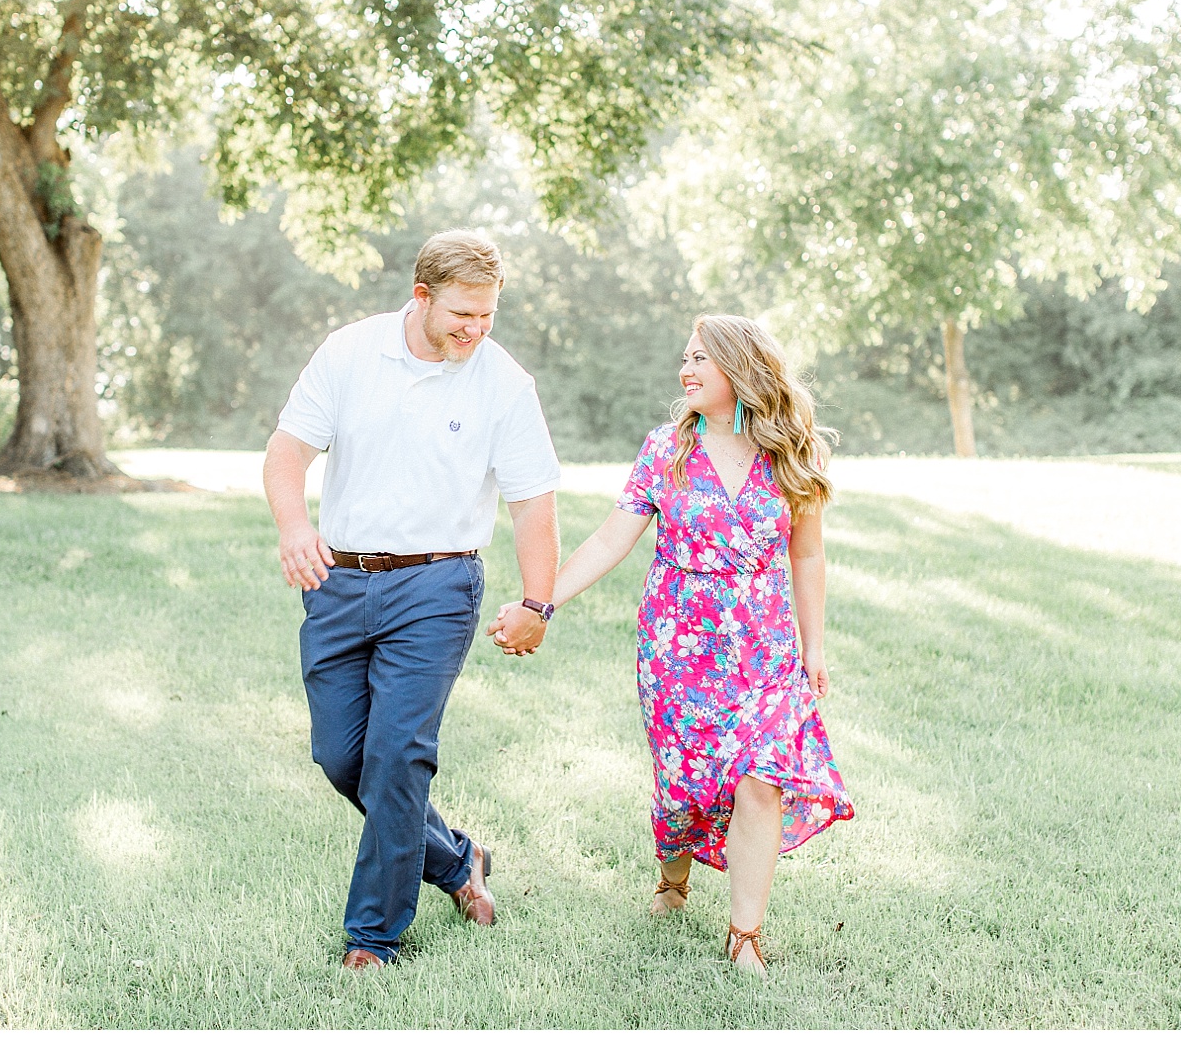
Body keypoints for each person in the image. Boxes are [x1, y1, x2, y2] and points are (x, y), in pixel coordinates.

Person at [489, 313, 852, 974]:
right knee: (685, 783)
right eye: (684, 357)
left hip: (764, 650)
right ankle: (673, 879)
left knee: (760, 780)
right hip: (677, 646)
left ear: (740, 368)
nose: (685, 370)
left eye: (700, 359)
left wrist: (814, 645)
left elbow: (809, 553)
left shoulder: (794, 452)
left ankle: (745, 935)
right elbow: (608, 539)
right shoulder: (665, 449)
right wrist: (539, 601)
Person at [263, 228, 562, 973]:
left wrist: (538, 603)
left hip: (438, 582)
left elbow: (533, 504)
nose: (476, 329)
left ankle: (373, 937)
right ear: (421, 295)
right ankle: (459, 861)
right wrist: (295, 525)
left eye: (488, 315)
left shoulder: (503, 382)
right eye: (463, 314)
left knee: (398, 756)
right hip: (338, 578)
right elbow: (286, 451)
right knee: (342, 756)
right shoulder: (350, 352)